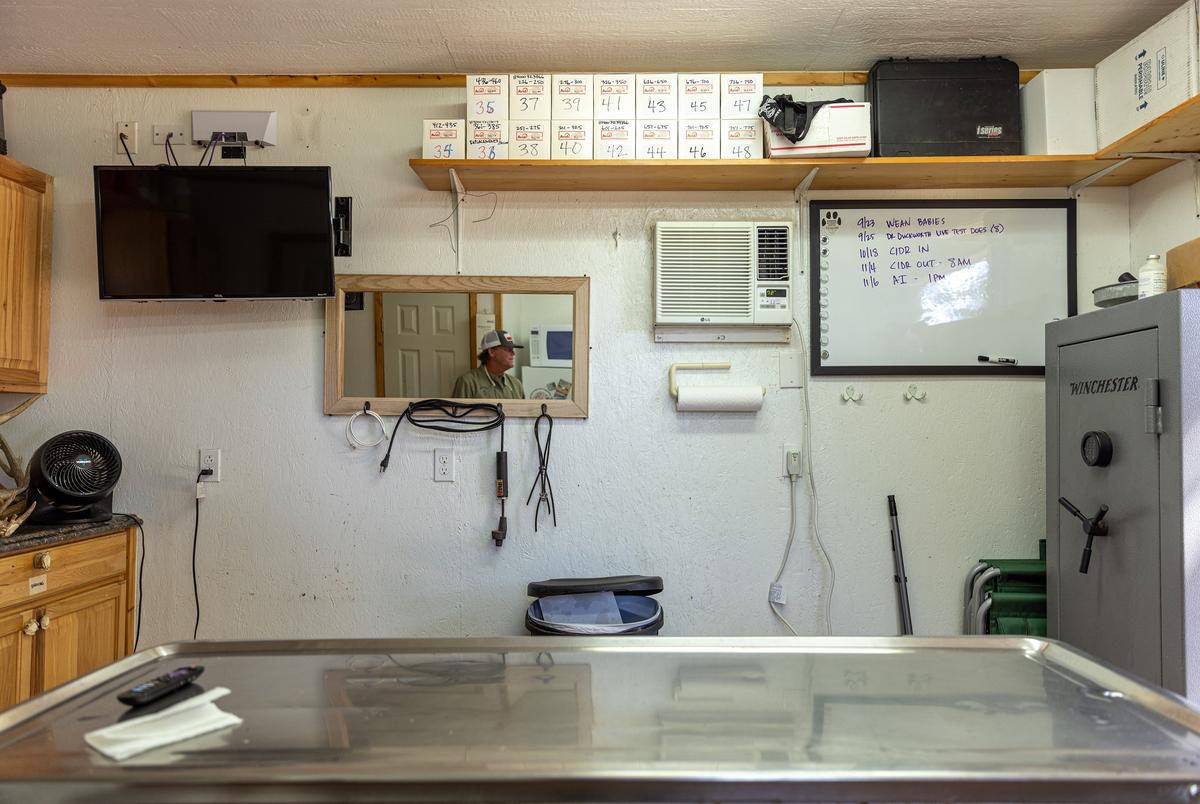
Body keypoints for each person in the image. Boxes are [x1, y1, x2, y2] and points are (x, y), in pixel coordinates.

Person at [452, 329, 526, 400]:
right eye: (508, 349)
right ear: (491, 352)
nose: (513, 353)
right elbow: (456, 412)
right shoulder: (467, 382)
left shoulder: (516, 384)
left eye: (512, 350)